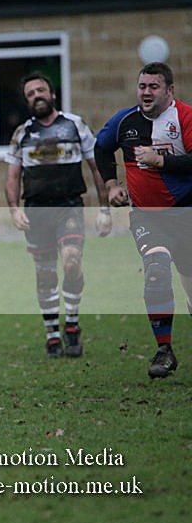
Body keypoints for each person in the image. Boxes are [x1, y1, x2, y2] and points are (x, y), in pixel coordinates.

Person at [95, 62, 192, 379]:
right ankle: (164, 350)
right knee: (156, 271)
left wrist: (160, 160)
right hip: (148, 217)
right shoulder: (124, 122)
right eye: (142, 86)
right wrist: (111, 186)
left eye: (153, 87)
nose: (146, 92)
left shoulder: (185, 117)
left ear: (169, 90)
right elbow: (101, 149)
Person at [4, 71, 111, 358]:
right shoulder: (22, 134)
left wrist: (104, 209)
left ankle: (72, 324)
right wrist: (14, 210)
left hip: (69, 206)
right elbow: (12, 177)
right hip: (36, 211)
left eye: (40, 90)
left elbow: (97, 167)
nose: (36, 96)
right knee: (45, 273)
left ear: (52, 94)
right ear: (27, 101)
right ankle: (52, 335)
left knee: (72, 261)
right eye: (30, 94)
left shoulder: (75, 125)